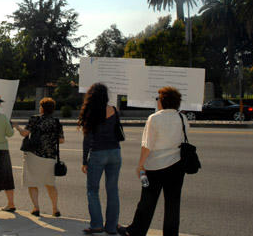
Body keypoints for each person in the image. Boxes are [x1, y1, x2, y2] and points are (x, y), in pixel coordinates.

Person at [117, 87, 189, 236]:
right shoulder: (182, 118)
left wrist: (140, 165)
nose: (157, 101)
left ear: (163, 101)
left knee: (147, 202)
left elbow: (147, 145)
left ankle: (136, 231)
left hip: (155, 167)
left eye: (158, 99)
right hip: (177, 166)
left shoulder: (154, 118)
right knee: (173, 204)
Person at [78, 83, 123, 235]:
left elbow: (87, 139)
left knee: (92, 190)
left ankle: (97, 224)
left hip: (98, 153)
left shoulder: (91, 112)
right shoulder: (114, 110)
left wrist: (84, 161)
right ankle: (111, 227)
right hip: (115, 152)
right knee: (113, 191)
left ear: (91, 95)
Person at [13, 97, 64, 217]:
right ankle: (55, 209)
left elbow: (24, 133)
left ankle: (36, 208)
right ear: (53, 109)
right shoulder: (56, 122)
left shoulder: (34, 119)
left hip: (34, 155)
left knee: (32, 182)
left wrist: (17, 127)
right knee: (50, 183)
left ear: (41, 108)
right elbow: (61, 140)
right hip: (50, 156)